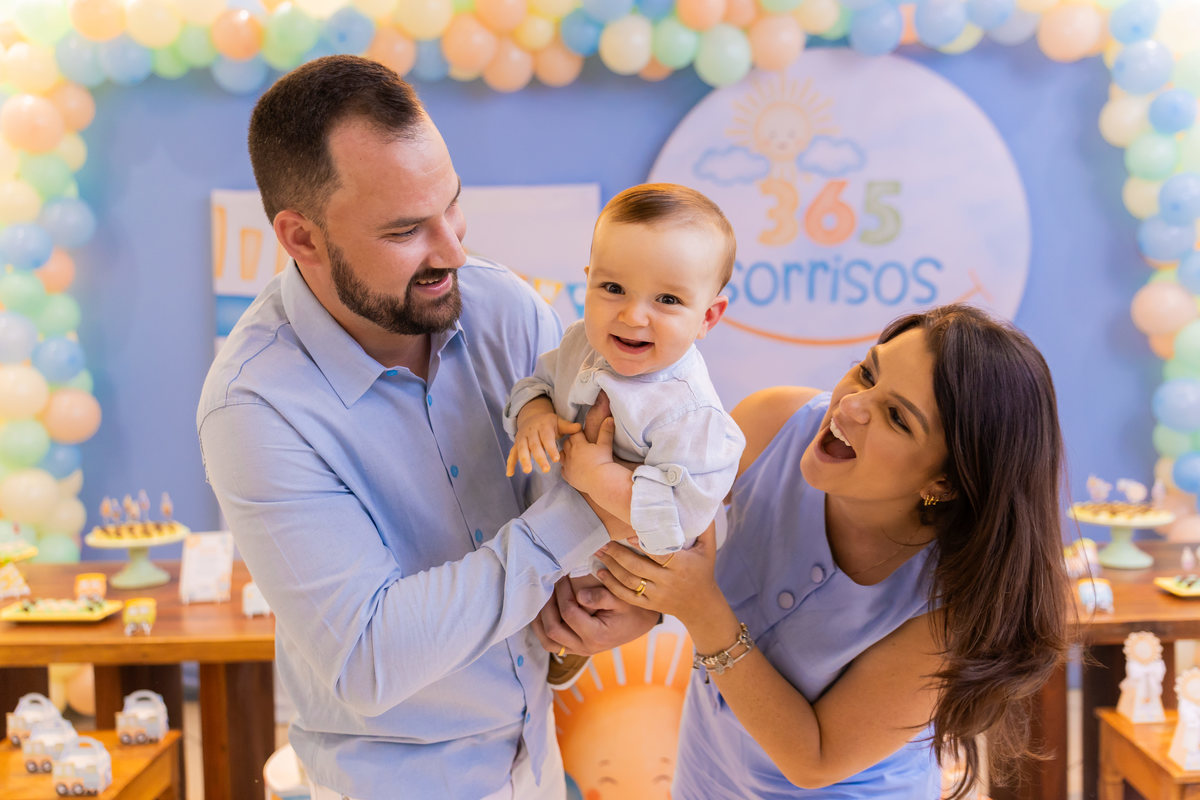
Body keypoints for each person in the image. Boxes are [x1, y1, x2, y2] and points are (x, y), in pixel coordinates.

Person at [196, 55, 657, 800]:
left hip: (535, 760)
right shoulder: (254, 407)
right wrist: (587, 507)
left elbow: (585, 544)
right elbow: (369, 660)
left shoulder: (505, 310)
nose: (452, 251)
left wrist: (623, 609)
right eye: (407, 229)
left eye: (452, 206)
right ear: (302, 238)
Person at [547, 304, 1070, 798]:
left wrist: (698, 609)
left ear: (946, 480)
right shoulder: (773, 422)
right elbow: (672, 528)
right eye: (868, 372)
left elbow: (814, 758)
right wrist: (646, 606)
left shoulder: (949, 606)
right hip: (707, 775)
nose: (851, 405)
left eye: (897, 418)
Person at [503, 183, 745, 574]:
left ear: (707, 317)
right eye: (613, 288)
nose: (633, 316)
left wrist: (600, 477)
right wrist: (534, 414)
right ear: (588, 282)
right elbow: (538, 384)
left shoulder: (690, 413)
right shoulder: (580, 340)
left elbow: (681, 519)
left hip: (612, 576)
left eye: (667, 299)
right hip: (536, 541)